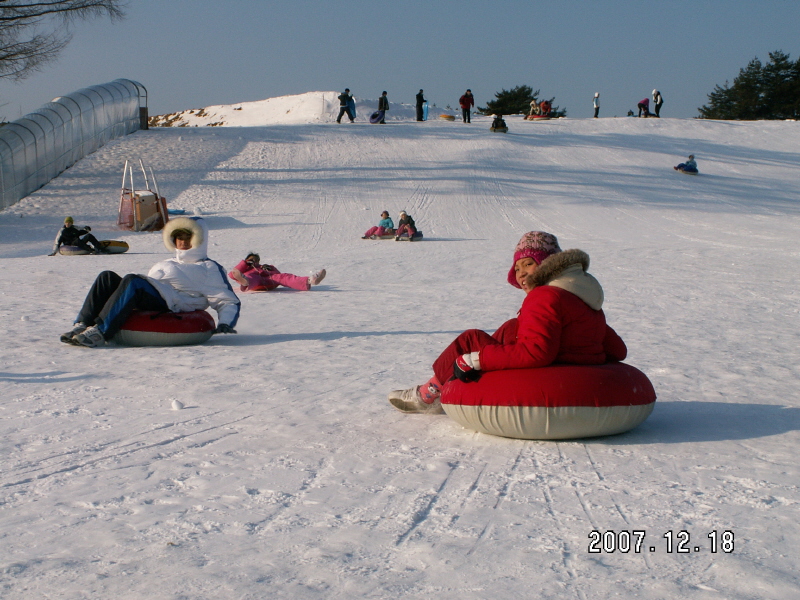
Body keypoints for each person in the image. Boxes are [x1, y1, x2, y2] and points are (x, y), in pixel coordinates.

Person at [388, 231, 627, 414]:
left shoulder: (545, 296)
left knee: (470, 339)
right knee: (513, 327)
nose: (521, 273)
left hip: (547, 374)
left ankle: (430, 392)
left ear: (548, 265)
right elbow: (618, 349)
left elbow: (536, 353)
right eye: (517, 267)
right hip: (574, 370)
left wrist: (476, 359)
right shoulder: (582, 299)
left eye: (529, 263)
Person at [60, 217, 240, 348]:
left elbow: (226, 299)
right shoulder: (168, 263)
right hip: (157, 295)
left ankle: (101, 331)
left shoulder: (208, 267)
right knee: (106, 277)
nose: (183, 242)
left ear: (199, 240)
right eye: (179, 238)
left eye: (188, 238)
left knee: (133, 281)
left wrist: (225, 322)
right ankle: (82, 324)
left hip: (176, 304)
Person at [229, 253, 326, 292]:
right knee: (250, 276)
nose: (255, 262)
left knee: (283, 277)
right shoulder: (245, 270)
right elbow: (232, 274)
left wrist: (270, 268)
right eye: (252, 260)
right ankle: (245, 282)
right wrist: (245, 264)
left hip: (268, 280)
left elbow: (277, 273)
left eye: (256, 260)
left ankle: (310, 280)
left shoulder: (263, 267)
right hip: (253, 281)